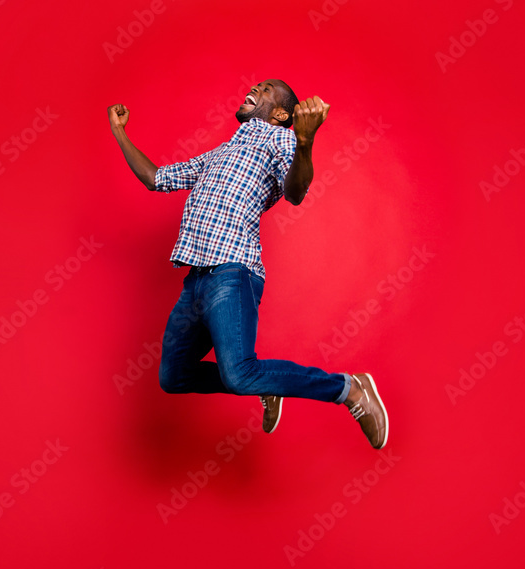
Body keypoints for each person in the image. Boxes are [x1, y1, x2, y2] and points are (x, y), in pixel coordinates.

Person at [108, 78, 387, 449]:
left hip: (232, 272)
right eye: (257, 84)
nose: (255, 88)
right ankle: (269, 383)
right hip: (196, 281)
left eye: (267, 88)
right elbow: (155, 178)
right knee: (174, 377)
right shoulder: (220, 153)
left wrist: (304, 141)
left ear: (281, 113)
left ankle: (348, 389)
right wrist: (119, 132)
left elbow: (295, 193)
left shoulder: (280, 140)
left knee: (240, 375)